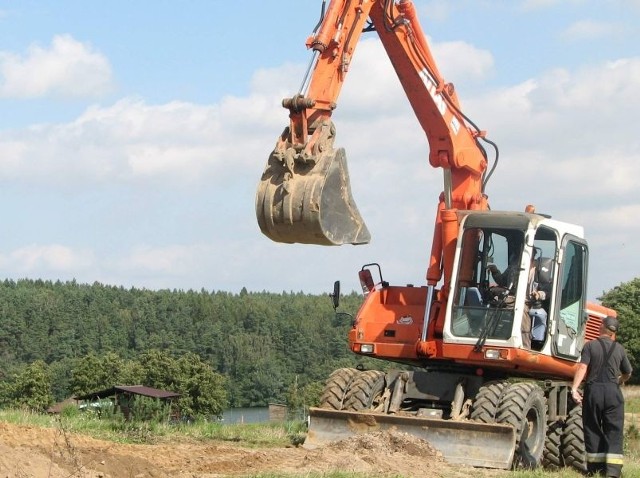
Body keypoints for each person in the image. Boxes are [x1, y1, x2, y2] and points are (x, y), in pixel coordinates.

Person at [571, 316, 632, 478]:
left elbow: (583, 368)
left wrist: (575, 389)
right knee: (614, 429)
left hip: (594, 392)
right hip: (613, 392)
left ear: (602, 327)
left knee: (592, 427)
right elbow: (628, 372)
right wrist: (619, 381)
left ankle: (595, 469)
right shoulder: (619, 349)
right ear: (613, 332)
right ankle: (612, 472)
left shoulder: (590, 346)